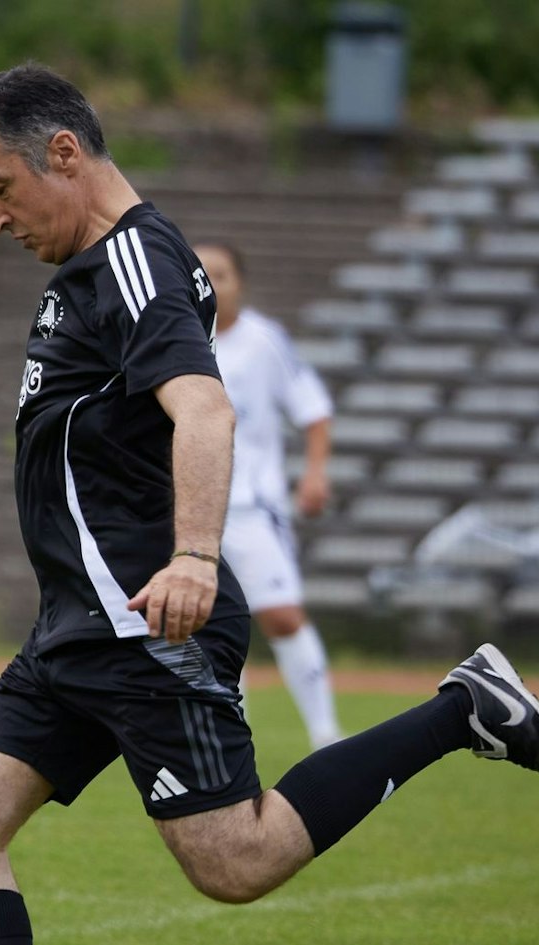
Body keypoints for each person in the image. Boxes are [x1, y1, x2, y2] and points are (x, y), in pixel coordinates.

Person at [0, 64, 539, 945]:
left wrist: (196, 554)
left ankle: (463, 707)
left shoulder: (137, 261)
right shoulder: (92, 271)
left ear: (62, 152)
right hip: (76, 623)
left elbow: (202, 406)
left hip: (146, 620)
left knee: (236, 860)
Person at [195, 241, 342, 749]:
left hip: (252, 506)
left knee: (281, 615)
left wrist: (315, 473)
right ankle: (232, 740)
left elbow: (313, 409)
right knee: (212, 627)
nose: (211, 284)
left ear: (241, 283)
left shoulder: (264, 341)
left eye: (222, 274)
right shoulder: (177, 339)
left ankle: (326, 734)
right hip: (191, 510)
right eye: (201, 273)